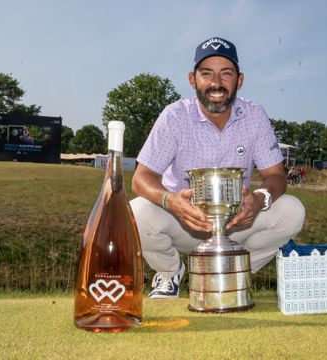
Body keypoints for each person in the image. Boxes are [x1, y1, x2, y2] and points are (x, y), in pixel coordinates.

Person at [130, 36, 305, 299]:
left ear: (240, 80)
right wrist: (171, 201)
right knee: (135, 213)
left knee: (292, 211)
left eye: (226, 73)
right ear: (193, 79)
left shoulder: (255, 115)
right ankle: (169, 272)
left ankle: (231, 272)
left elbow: (276, 177)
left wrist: (259, 199)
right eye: (207, 73)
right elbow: (141, 178)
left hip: (236, 222)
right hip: (185, 221)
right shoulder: (175, 115)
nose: (216, 83)